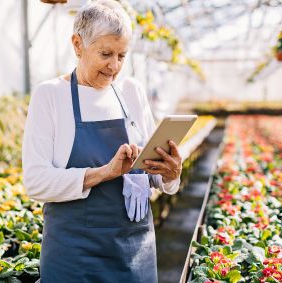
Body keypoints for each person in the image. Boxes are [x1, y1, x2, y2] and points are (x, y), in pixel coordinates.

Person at [22, 1, 182, 282]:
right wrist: (104, 173)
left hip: (134, 250)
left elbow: (152, 173)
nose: (115, 66)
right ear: (77, 44)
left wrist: (169, 175)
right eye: (106, 53)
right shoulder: (50, 95)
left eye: (122, 55)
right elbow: (35, 181)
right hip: (74, 255)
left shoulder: (131, 91)